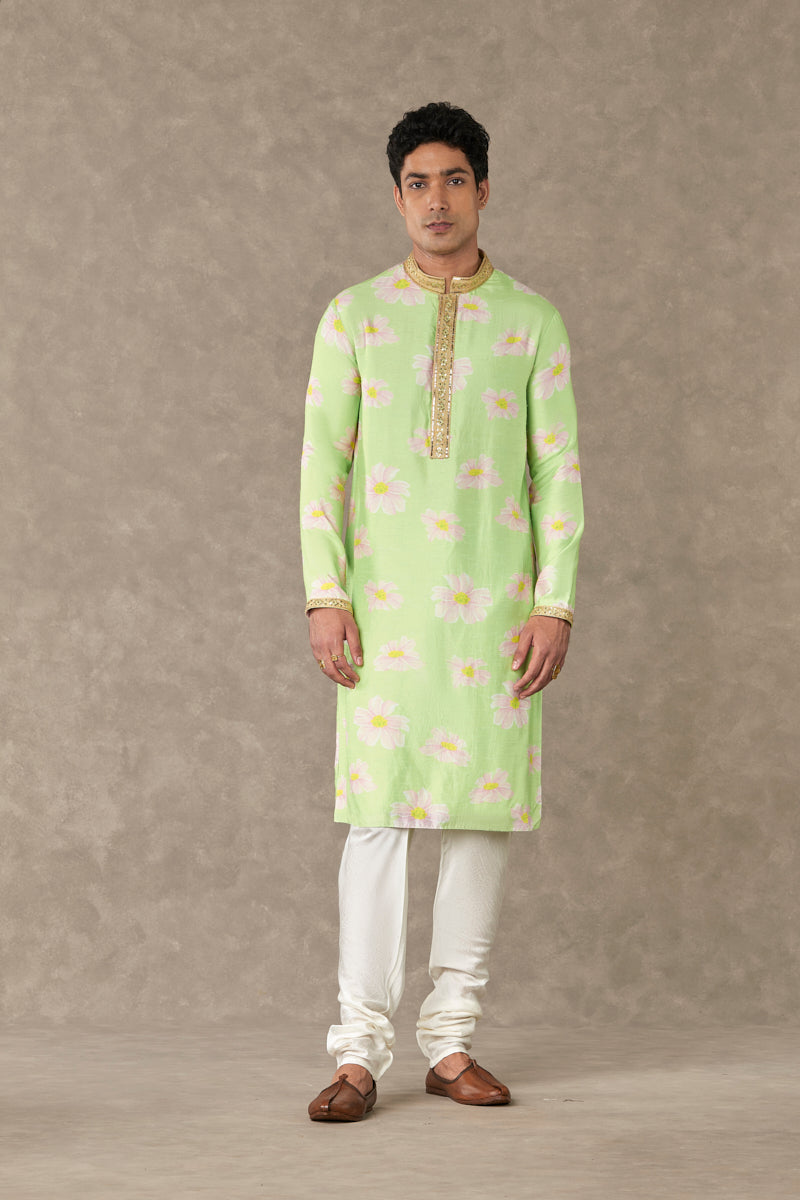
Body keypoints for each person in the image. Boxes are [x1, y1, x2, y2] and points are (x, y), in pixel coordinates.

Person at [299, 101, 584, 1122]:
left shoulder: (531, 321)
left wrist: (553, 604)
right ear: (396, 197)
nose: (435, 200)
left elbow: (557, 471)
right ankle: (358, 1053)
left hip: (494, 609)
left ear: (483, 190)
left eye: (453, 179)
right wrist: (326, 595)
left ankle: (451, 1041)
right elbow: (320, 468)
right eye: (417, 182)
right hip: (383, 612)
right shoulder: (355, 317)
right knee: (376, 818)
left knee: (477, 819)